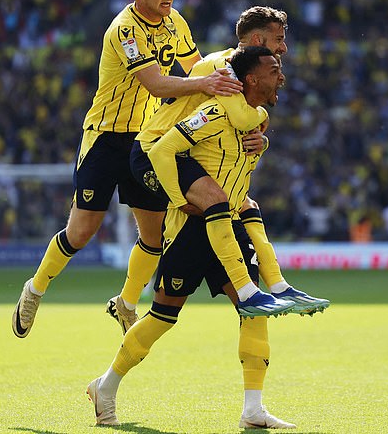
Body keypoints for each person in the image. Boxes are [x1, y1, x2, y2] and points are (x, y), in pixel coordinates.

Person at [11, 0, 244, 338]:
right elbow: (156, 83)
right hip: (105, 137)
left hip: (146, 140)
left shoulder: (176, 22)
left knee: (154, 236)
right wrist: (205, 86)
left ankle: (126, 303)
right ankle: (35, 289)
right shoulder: (124, 30)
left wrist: (229, 92)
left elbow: (197, 67)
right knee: (82, 231)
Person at [87, 47, 297, 429]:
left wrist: (260, 142)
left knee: (253, 309)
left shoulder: (251, 121)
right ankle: (106, 385)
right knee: (163, 316)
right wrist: (178, 197)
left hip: (226, 224)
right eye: (274, 66)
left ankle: (253, 407)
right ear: (250, 76)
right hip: (192, 228)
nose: (280, 73)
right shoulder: (214, 107)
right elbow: (165, 148)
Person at [110, 6, 329, 332]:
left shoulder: (248, 70)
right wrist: (261, 124)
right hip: (155, 150)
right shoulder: (224, 67)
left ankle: (278, 287)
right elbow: (243, 118)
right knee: (211, 207)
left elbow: (245, 119)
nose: (283, 48)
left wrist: (261, 136)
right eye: (278, 40)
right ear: (257, 39)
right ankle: (245, 290)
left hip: (188, 153)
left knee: (243, 204)